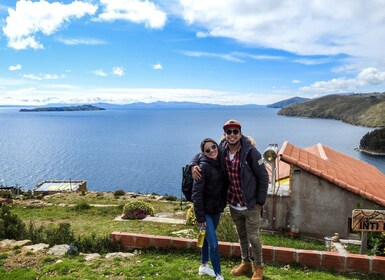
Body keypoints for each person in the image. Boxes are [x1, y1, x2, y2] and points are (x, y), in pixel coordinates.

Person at [191, 120, 269, 280]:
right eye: (229, 132)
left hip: (251, 204)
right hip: (234, 203)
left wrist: (260, 201)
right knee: (241, 236)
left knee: (253, 237)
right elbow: (202, 153)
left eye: (235, 131)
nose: (232, 135)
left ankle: (258, 267)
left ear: (240, 134)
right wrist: (193, 164)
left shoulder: (252, 152)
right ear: (225, 135)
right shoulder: (221, 149)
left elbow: (263, 176)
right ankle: (245, 263)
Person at [192, 138, 228, 280]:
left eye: (213, 147)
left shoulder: (220, 161)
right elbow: (196, 194)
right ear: (204, 153)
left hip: (216, 210)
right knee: (213, 243)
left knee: (206, 240)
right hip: (205, 212)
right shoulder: (202, 168)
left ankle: (203, 266)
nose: (212, 150)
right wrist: (200, 218)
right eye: (208, 150)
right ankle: (219, 275)